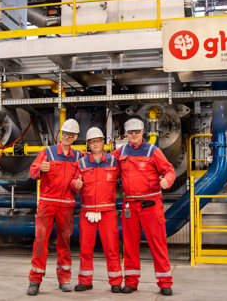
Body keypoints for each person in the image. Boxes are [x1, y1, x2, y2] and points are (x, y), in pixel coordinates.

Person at [111, 118, 176, 296]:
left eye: (137, 132)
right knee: (130, 246)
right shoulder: (120, 151)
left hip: (151, 206)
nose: (133, 135)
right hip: (129, 207)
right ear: (126, 134)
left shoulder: (153, 151)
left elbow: (169, 170)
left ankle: (165, 282)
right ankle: (131, 282)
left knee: (158, 244)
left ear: (143, 133)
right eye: (130, 132)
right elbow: (106, 165)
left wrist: (167, 180)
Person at [26, 119, 82, 296]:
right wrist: (40, 169)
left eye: (70, 135)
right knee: (40, 241)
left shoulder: (78, 157)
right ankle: (35, 280)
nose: (67, 137)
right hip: (47, 204)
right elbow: (33, 171)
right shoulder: (47, 152)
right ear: (60, 135)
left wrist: (77, 185)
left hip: (66, 206)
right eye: (65, 134)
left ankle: (64, 279)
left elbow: (77, 180)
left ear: (75, 137)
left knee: (64, 243)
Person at [72, 127, 123, 293]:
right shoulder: (81, 163)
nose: (95, 144)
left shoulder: (114, 162)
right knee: (85, 249)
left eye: (98, 141)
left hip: (108, 211)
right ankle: (85, 281)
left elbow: (127, 176)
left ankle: (115, 282)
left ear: (103, 142)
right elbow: (73, 182)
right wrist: (76, 185)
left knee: (112, 248)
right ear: (88, 145)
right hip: (87, 212)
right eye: (92, 142)